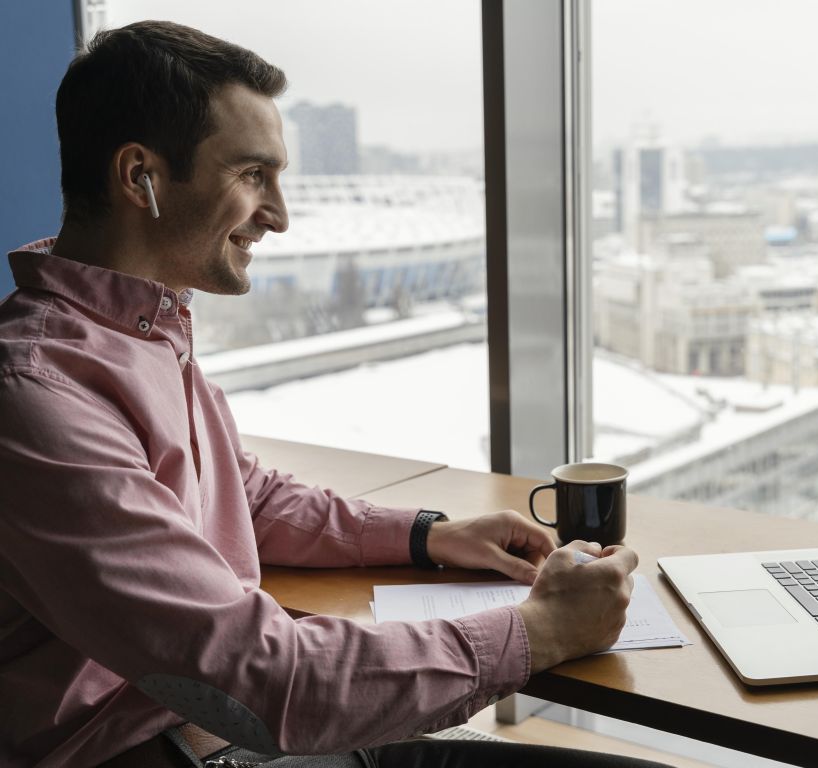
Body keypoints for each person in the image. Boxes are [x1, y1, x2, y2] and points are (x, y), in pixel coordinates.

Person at [0, 22, 662, 768]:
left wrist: (428, 534)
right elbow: (274, 681)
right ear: (138, 176)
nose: (279, 214)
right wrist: (542, 631)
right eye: (253, 175)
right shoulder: (37, 394)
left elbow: (243, 495)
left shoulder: (143, 333)